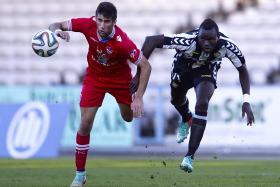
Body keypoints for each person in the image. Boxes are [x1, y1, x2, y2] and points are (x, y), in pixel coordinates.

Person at [132, 18, 254, 173]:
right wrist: (138, 74)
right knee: (176, 99)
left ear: (218, 38)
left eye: (211, 39)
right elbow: (151, 41)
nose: (207, 43)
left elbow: (242, 70)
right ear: (198, 36)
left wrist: (246, 101)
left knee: (202, 103)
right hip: (183, 66)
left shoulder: (228, 46)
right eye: (203, 39)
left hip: (206, 70)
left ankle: (189, 156)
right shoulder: (187, 41)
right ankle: (186, 118)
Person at [49, 2, 151, 186]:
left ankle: (129, 105)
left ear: (114, 22)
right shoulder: (87, 24)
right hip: (95, 78)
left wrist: (139, 98)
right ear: (95, 18)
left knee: (128, 118)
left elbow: (145, 66)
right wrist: (56, 32)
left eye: (107, 21)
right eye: (99, 20)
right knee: (85, 123)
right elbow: (55, 24)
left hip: (120, 81)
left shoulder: (123, 42)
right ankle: (80, 175)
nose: (102, 25)